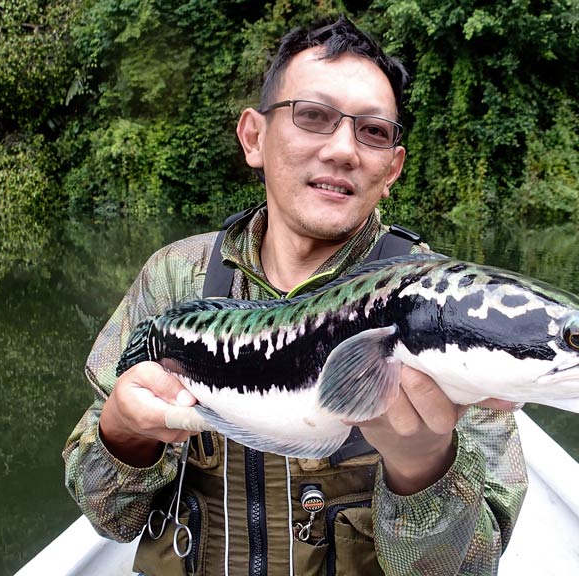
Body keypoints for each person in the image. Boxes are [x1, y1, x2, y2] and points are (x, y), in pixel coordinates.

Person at [63, 15, 527, 576]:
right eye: (313, 116)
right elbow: (106, 516)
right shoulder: (173, 279)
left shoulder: (450, 310)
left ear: (392, 169)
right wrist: (124, 431)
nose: (343, 150)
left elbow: (473, 568)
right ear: (254, 136)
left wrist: (423, 465)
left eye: (373, 132)